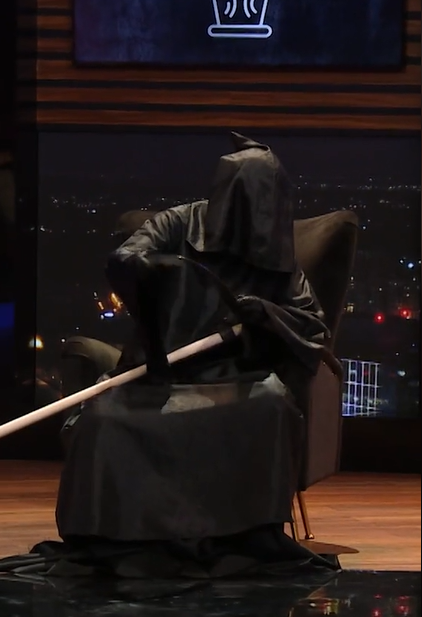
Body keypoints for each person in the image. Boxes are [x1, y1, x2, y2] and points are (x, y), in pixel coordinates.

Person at [53, 134, 331, 579]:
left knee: (272, 406)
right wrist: (157, 270)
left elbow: (312, 326)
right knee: (104, 418)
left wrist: (267, 315)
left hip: (237, 374)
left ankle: (242, 534)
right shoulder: (178, 223)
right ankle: (112, 537)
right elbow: (127, 256)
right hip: (164, 368)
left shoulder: (278, 251)